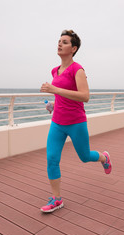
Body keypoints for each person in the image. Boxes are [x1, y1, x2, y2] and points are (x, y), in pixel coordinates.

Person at [40, 30, 112, 213]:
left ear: (73, 48)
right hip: (57, 122)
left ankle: (103, 157)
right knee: (51, 159)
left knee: (85, 156)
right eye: (59, 41)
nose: (59, 44)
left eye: (64, 42)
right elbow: (64, 96)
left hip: (76, 122)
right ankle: (57, 199)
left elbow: (84, 96)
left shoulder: (77, 69)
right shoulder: (55, 70)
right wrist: (54, 106)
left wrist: (54, 89)